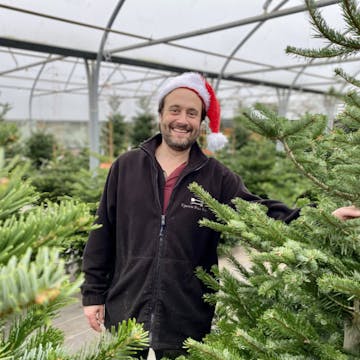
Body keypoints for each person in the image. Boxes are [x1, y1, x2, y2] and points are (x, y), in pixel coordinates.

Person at [81, 72, 360, 359]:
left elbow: (258, 213)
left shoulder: (217, 177)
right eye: (174, 110)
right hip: (126, 307)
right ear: (161, 114)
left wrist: (322, 218)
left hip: (186, 313)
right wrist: (92, 295)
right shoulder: (126, 166)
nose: (182, 120)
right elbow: (103, 231)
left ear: (201, 123)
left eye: (192, 113)